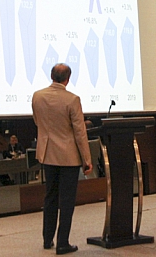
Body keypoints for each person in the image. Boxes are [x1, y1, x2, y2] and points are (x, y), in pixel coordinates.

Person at [32, 63, 92, 255]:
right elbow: (80, 132)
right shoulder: (72, 99)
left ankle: (47, 239)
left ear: (51, 76)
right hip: (68, 157)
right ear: (68, 79)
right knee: (66, 200)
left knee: (50, 196)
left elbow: (37, 122)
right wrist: (87, 159)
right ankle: (63, 242)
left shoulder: (37, 96)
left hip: (47, 153)